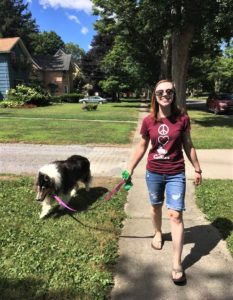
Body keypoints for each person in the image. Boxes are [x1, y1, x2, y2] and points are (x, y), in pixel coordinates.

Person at [127, 79, 202, 284]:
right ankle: (158, 232)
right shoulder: (149, 121)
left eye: (169, 91)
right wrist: (129, 168)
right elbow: (142, 147)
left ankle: (177, 264)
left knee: (175, 215)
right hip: (154, 172)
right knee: (155, 207)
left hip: (176, 172)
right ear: (155, 95)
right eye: (160, 92)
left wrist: (197, 168)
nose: (165, 94)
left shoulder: (182, 119)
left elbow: (188, 145)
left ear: (174, 94)